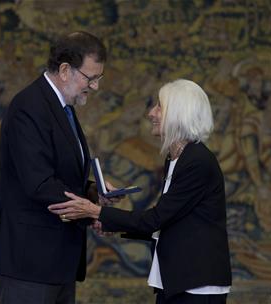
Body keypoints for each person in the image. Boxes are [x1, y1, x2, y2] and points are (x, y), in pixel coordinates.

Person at [49, 79, 232, 304]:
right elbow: (169, 221)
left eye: (159, 107)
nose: (150, 113)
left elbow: (156, 219)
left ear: (178, 114)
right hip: (178, 278)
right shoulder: (177, 158)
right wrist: (110, 223)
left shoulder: (197, 162)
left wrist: (96, 211)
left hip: (196, 283)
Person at [0, 31, 113, 304]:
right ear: (65, 70)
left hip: (56, 260)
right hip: (29, 262)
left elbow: (62, 176)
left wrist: (94, 191)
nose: (96, 87)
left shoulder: (61, 107)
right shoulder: (28, 107)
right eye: (91, 78)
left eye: (98, 78)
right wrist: (91, 213)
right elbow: (40, 183)